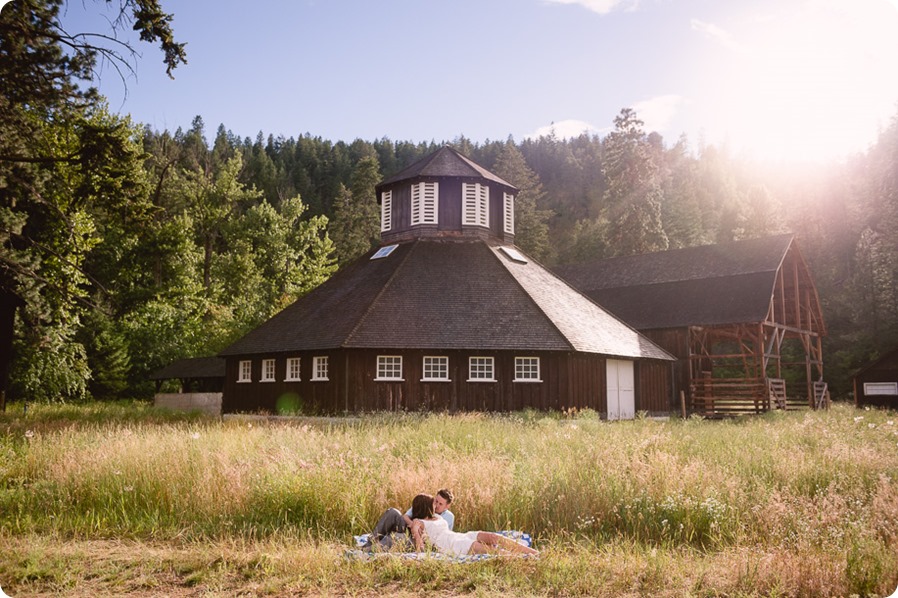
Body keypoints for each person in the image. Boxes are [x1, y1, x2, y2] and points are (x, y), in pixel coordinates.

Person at [408, 493, 538, 556]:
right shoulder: (419, 522)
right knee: (493, 551)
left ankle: (534, 553)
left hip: (460, 536)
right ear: (426, 507)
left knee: (493, 537)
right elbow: (420, 549)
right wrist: (416, 533)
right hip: (454, 545)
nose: (436, 504)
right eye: (433, 503)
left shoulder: (436, 516)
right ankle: (523, 558)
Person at [362, 488, 455, 551]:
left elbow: (442, 538)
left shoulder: (446, 519)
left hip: (420, 539)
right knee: (392, 512)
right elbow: (405, 517)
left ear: (447, 506)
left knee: (398, 537)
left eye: (440, 504)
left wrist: (419, 532)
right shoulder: (426, 504)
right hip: (409, 528)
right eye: (436, 501)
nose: (436, 505)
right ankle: (370, 542)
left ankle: (372, 549)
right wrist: (413, 525)